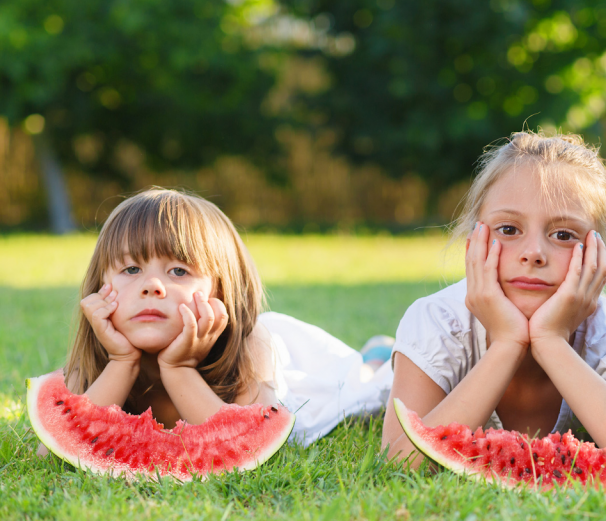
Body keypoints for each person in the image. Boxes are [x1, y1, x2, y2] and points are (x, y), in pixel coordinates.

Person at [380, 131, 606, 474]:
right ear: (472, 249)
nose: (534, 254)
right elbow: (400, 460)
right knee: (368, 382)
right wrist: (508, 342)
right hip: (395, 370)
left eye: (563, 235)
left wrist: (550, 341)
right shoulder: (436, 322)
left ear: (600, 264)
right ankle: (377, 354)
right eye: (509, 230)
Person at [62, 188, 387, 447]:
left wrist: (178, 369)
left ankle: (377, 354)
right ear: (100, 286)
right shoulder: (96, 357)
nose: (151, 286)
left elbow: (251, 444)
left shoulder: (251, 345)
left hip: (299, 372)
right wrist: (122, 361)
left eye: (179, 270)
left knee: (364, 385)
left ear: (221, 292)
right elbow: (53, 449)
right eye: (131, 269)